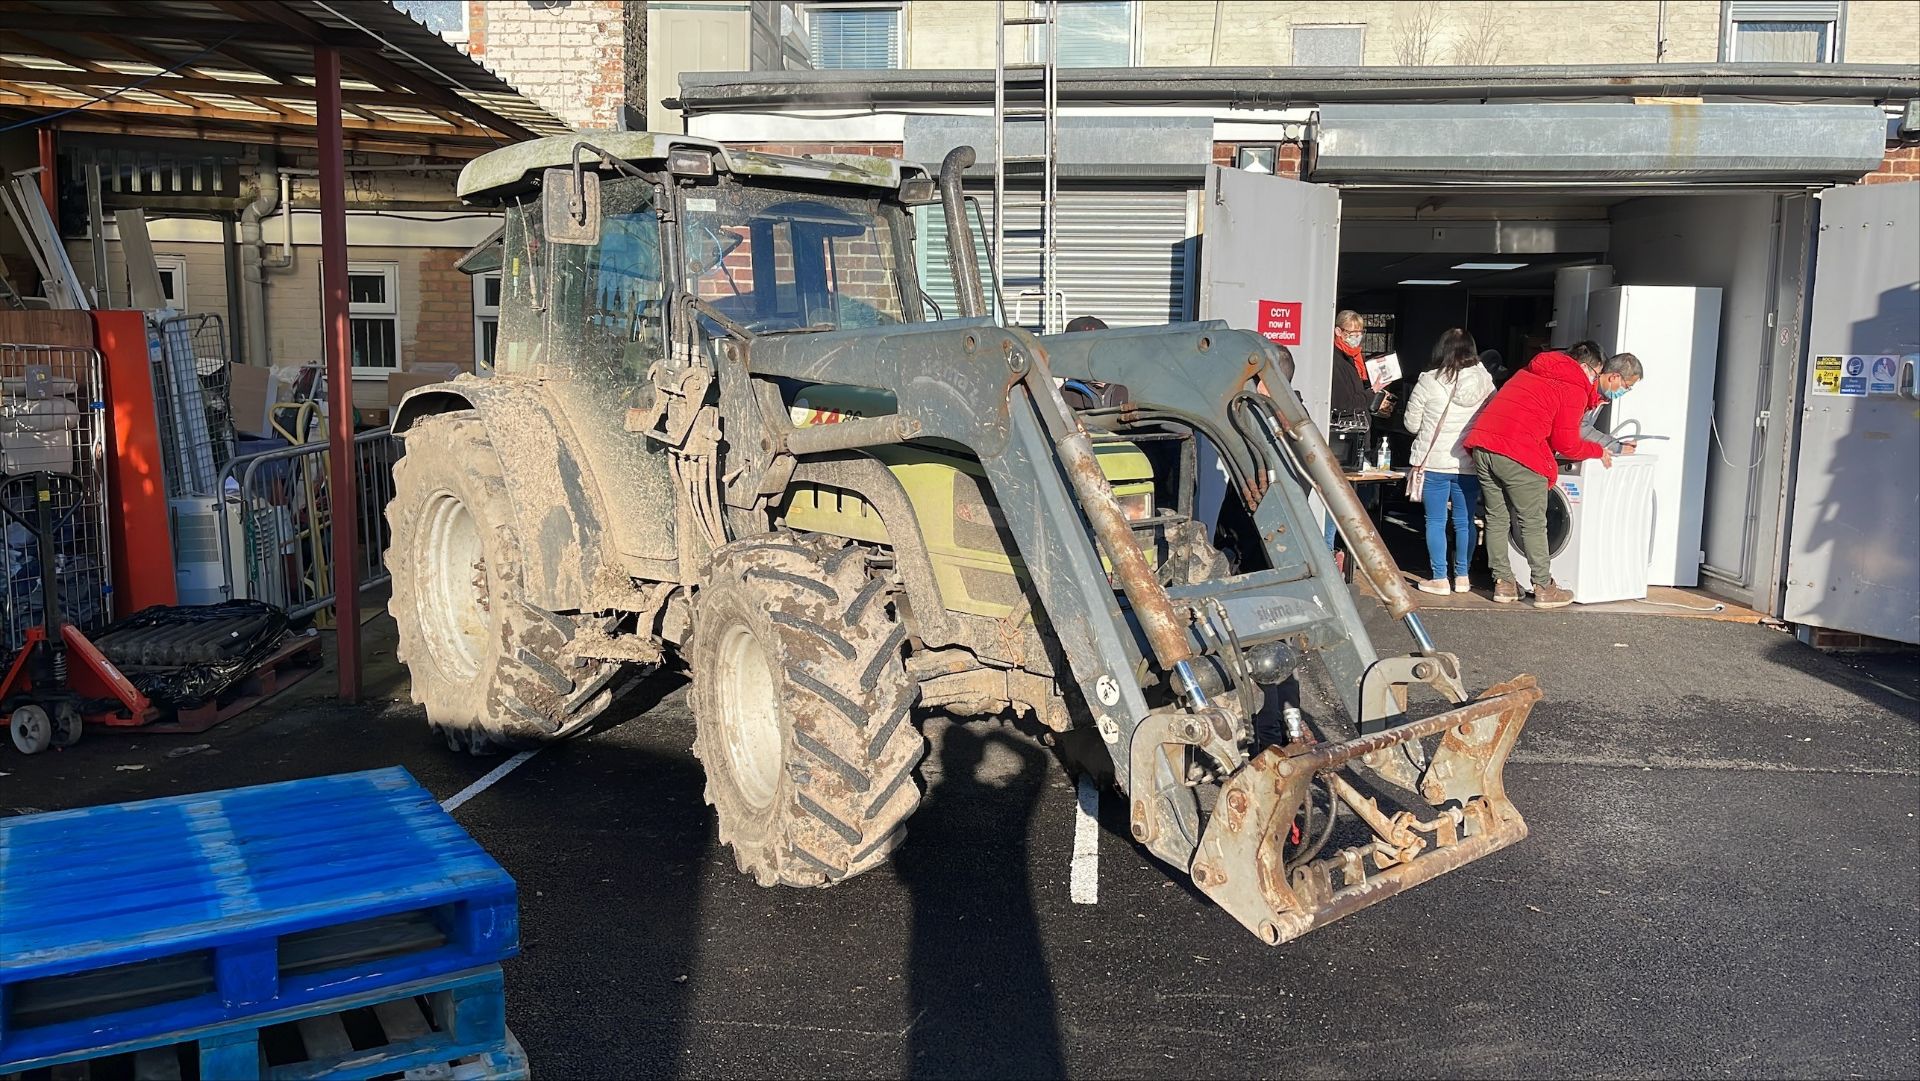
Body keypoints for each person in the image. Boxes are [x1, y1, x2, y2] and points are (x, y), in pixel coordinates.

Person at [1461, 345, 1639, 608]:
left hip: (1484, 446)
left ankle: (1504, 584)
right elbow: (1567, 443)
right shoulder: (1574, 386)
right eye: (1597, 372)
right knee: (1532, 521)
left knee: (1496, 518)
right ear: (1588, 368)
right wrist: (1597, 450)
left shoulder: (1529, 372)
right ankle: (1544, 587)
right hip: (1519, 451)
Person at [1403, 329, 1495, 595]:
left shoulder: (1429, 381)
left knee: (1435, 520)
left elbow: (1411, 424)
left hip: (1434, 463)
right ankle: (1463, 577)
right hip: (1468, 463)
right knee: (1464, 522)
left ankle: (1440, 578)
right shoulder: (1486, 383)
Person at [1326, 310, 1379, 552]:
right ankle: (1331, 548)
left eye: (1360, 333)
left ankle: (1341, 548)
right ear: (1338, 331)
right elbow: (1344, 402)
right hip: (1343, 442)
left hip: (1356, 439)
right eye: (1351, 333)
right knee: (1338, 498)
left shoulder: (1353, 360)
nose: (1356, 338)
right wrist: (1371, 393)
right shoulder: (1335, 361)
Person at [1565, 340, 1643, 454]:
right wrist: (1616, 447)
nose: (1626, 391)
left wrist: (1616, 443)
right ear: (1614, 377)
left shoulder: (1601, 396)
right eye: (1627, 386)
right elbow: (1580, 429)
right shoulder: (1588, 390)